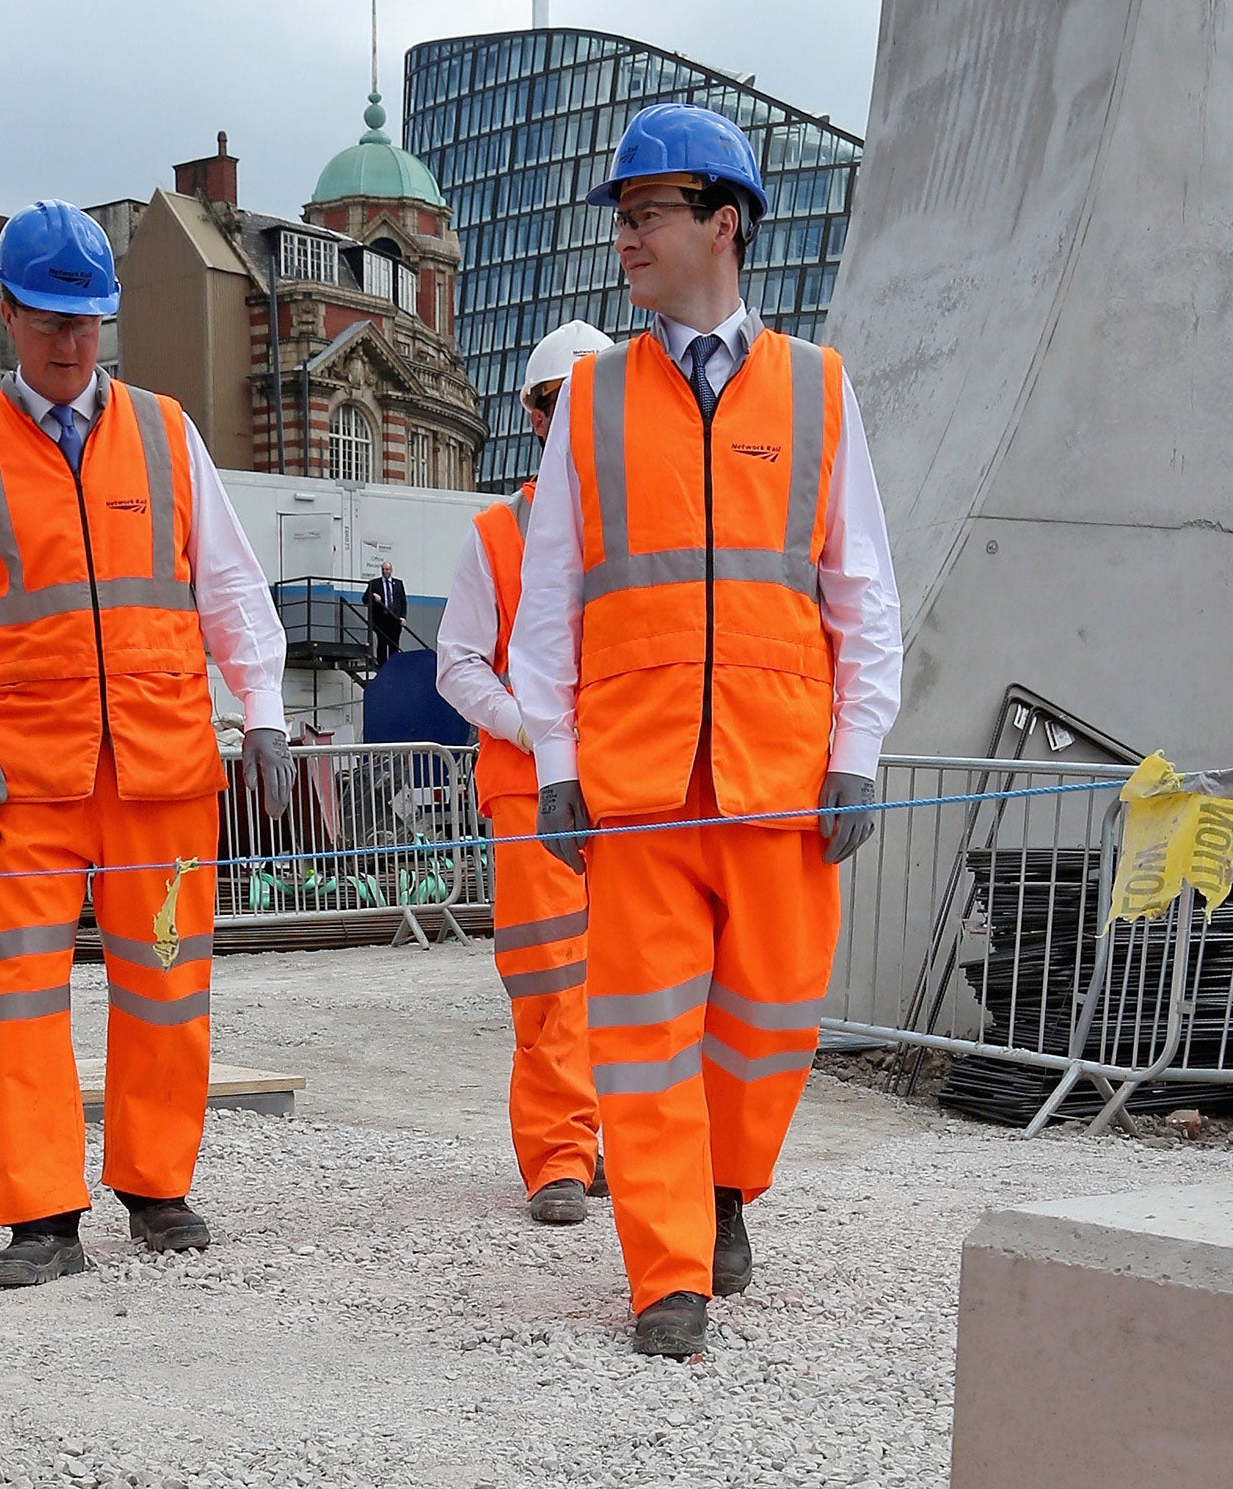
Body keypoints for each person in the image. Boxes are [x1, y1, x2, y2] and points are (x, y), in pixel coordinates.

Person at [509, 103, 902, 1357]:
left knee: (771, 1025)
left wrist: (856, 754)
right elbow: (549, 609)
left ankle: (727, 1187)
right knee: (637, 1035)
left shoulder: (820, 391)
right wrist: (556, 766)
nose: (624, 239)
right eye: (620, 220)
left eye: (645, 215)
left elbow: (862, 595)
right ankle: (665, 1266)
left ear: (722, 221)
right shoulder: (590, 402)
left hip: (780, 775)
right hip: (634, 781)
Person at [0, 200, 295, 1290]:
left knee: (165, 981)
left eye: (87, 321)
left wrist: (259, 709)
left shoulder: (166, 433)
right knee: (22, 997)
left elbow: (226, 583)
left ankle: (156, 1187)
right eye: (48, 320)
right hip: (25, 779)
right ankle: (40, 1217)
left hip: (161, 766)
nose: (69, 343)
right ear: (5, 313)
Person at [436, 321, 613, 1225]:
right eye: (562, 406)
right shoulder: (498, 534)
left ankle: (616, 1138)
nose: (577, 423)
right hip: (529, 791)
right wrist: (538, 736)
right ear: (534, 416)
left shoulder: (639, 524)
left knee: (636, 976)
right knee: (550, 980)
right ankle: (558, 1155)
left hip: (631, 786)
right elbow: (458, 663)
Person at [362, 559, 406, 664]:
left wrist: (403, 617)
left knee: (394, 644)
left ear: (391, 570)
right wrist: (372, 596)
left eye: (387, 569)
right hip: (382, 619)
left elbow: (403, 602)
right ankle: (382, 666)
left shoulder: (398, 584)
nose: (385, 571)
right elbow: (364, 599)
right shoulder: (374, 583)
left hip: (395, 620)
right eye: (383, 569)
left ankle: (393, 665)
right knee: (382, 643)